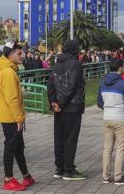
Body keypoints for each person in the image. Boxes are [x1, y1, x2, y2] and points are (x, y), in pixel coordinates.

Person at [0, 42, 35, 191]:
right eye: (19, 53)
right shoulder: (8, 72)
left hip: (10, 115)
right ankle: (8, 179)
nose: (22, 55)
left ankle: (26, 175)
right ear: (10, 55)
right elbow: (12, 98)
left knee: (18, 147)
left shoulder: (8, 69)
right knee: (11, 147)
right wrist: (19, 118)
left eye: (22, 52)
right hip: (10, 117)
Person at [47, 40, 86, 181]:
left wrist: (53, 102)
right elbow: (72, 85)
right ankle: (69, 169)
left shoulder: (57, 64)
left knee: (59, 137)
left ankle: (59, 167)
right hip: (72, 106)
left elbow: (50, 83)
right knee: (70, 138)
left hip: (59, 108)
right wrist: (61, 104)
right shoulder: (76, 64)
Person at [97, 59, 124, 185]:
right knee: (120, 148)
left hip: (107, 118)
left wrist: (108, 108)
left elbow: (99, 103)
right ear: (120, 68)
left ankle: (105, 176)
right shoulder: (123, 84)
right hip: (121, 118)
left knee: (107, 148)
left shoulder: (102, 82)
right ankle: (118, 176)